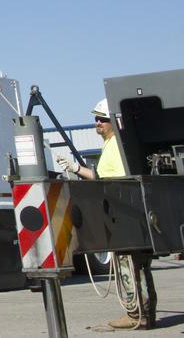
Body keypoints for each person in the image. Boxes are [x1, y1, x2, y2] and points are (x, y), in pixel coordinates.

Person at [58, 98, 155, 331]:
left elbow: (116, 181)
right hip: (127, 215)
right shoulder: (113, 144)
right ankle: (144, 313)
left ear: (114, 121)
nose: (97, 123)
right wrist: (78, 170)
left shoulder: (117, 146)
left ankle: (136, 314)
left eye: (102, 119)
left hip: (124, 216)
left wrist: (77, 170)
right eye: (96, 118)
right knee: (137, 265)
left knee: (127, 264)